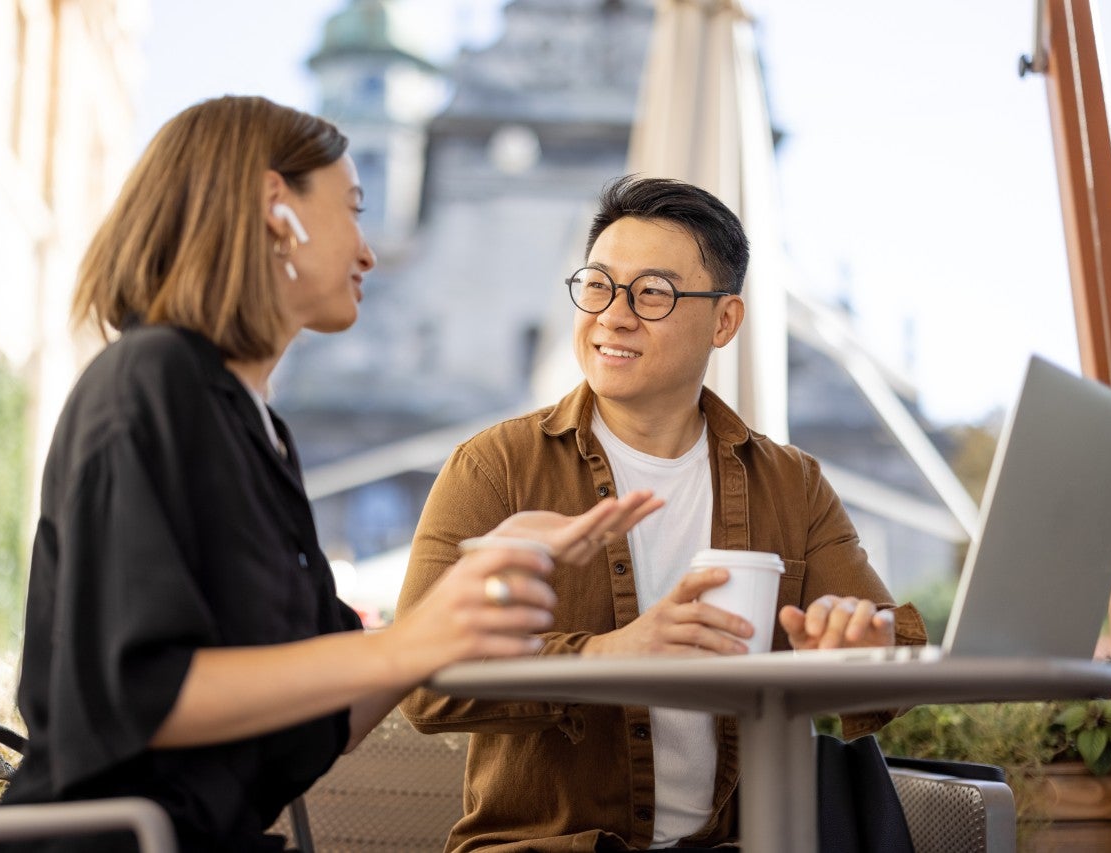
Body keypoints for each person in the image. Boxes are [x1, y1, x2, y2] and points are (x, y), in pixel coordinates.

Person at [0, 97, 663, 853]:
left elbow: (332, 719)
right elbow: (140, 695)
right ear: (280, 210)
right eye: (353, 207)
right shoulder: (153, 382)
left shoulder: (253, 426)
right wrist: (405, 647)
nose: (369, 251)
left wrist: (485, 571)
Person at [397, 176, 928, 852]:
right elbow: (421, 685)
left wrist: (861, 647)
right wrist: (607, 657)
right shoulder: (495, 466)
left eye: (653, 293)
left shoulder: (792, 483)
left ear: (724, 320)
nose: (614, 315)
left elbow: (897, 660)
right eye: (597, 285)